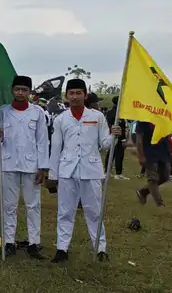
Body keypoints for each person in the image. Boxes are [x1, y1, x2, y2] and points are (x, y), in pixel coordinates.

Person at [49, 78, 121, 263]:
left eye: (78, 93)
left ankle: (100, 248)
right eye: (71, 93)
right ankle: (62, 249)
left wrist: (113, 135)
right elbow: (56, 148)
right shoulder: (60, 119)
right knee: (65, 211)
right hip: (67, 170)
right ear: (66, 96)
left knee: (94, 211)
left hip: (91, 170)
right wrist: (53, 175)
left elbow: (104, 145)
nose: (74, 97)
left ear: (85, 95)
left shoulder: (97, 117)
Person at [0, 75, 48, 259]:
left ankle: (34, 242)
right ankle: (9, 242)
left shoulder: (38, 112)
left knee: (33, 205)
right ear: (12, 90)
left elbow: (42, 141)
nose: (20, 93)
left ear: (30, 92)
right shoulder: (3, 111)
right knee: (9, 205)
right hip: (8, 163)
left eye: (24, 90)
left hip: (32, 165)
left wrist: (43, 166)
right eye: (17, 89)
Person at [135, 122, 172, 207]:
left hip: (162, 152)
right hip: (149, 153)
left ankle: (143, 192)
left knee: (165, 176)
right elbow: (139, 140)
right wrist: (140, 155)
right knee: (152, 178)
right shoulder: (142, 121)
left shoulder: (162, 118)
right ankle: (159, 203)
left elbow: (167, 135)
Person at [105, 96, 129, 180]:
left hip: (110, 135)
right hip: (117, 136)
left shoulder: (110, 112)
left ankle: (107, 171)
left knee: (111, 154)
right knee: (119, 155)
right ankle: (118, 174)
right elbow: (120, 127)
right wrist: (123, 139)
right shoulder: (119, 113)